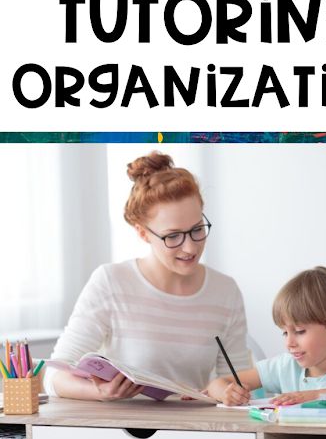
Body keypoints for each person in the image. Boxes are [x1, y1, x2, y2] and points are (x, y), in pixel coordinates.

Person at [45, 151, 250, 401]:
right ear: (143, 233)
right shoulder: (112, 282)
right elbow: (53, 376)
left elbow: (240, 378)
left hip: (194, 430)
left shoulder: (225, 291)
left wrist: (228, 391)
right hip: (123, 430)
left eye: (197, 229)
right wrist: (100, 392)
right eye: (173, 236)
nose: (190, 247)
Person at [207, 266, 326, 406]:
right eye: (285, 332)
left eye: (299, 331)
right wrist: (226, 393)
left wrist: (314, 395)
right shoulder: (285, 367)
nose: (289, 343)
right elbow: (216, 383)